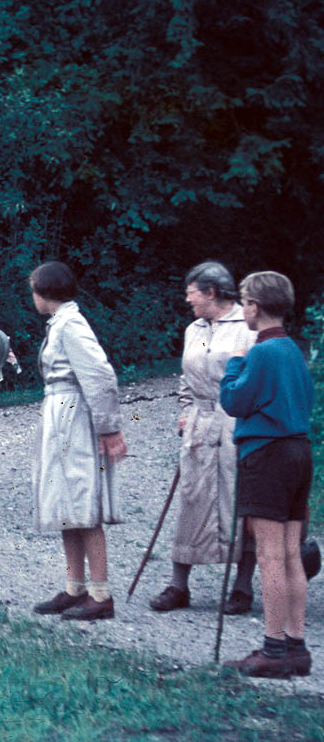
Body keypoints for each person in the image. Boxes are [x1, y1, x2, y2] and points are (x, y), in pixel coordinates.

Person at [150, 261, 258, 614]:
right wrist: (185, 410)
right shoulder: (193, 329)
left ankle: (241, 588)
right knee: (191, 500)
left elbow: (257, 378)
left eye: (191, 292)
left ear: (211, 292)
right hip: (199, 424)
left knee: (239, 503)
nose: (187, 299)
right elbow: (185, 378)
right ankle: (178, 585)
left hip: (236, 424)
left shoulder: (248, 327)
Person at [220, 271, 313, 678]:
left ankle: (273, 649)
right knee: (291, 553)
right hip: (299, 452)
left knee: (270, 555)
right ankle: (296, 645)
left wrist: (234, 363)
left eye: (244, 301)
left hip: (266, 454)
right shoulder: (294, 350)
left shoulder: (259, 353)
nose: (242, 309)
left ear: (254, 307)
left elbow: (235, 401)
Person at [29, 261, 128, 621]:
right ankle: (75, 586)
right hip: (59, 413)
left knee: (82, 500)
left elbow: (100, 375)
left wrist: (109, 428)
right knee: (65, 502)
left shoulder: (71, 324)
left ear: (45, 291)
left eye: (34, 289)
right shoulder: (60, 324)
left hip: (74, 416)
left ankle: (100, 594)